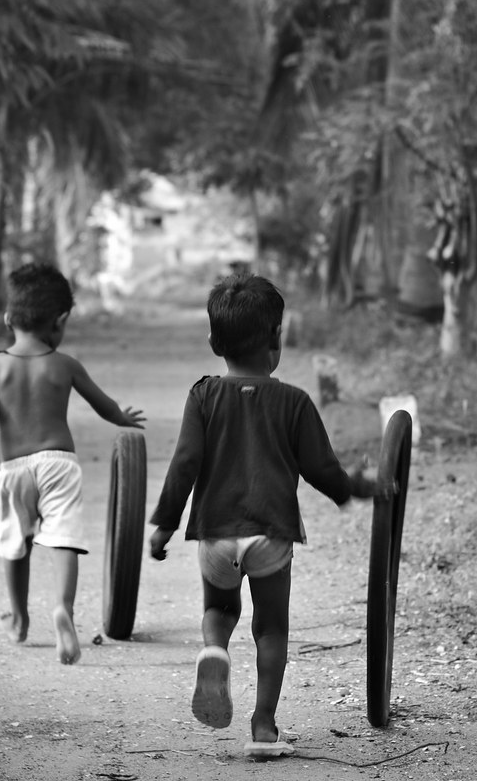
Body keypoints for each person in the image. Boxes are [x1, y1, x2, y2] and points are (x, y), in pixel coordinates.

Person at [148, 272, 359, 759]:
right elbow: (322, 469)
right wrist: (354, 491)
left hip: (217, 534)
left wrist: (164, 524)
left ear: (213, 341)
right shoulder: (294, 402)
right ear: (276, 339)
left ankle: (214, 650)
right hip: (270, 534)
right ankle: (264, 724)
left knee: (220, 610)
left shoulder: (202, 396)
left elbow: (184, 464)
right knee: (270, 628)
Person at [0, 262, 145, 664]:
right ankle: (63, 608)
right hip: (59, 463)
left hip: (14, 469)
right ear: (59, 321)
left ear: (8, 319)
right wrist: (122, 418)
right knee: (64, 538)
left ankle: (20, 618)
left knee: (15, 543)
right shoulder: (64, 365)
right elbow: (102, 403)